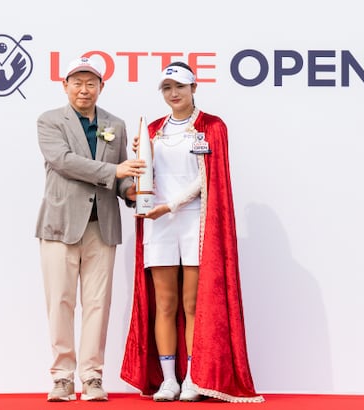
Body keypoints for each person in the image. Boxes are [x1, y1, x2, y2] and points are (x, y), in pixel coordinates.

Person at [120, 61, 264, 403]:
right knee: (165, 303)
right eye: (167, 88)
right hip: (158, 223)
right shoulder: (152, 129)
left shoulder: (212, 126)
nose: (174, 94)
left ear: (193, 88)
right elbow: (146, 175)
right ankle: (169, 380)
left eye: (180, 87)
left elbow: (209, 177)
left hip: (196, 222)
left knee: (192, 303)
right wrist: (139, 159)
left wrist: (171, 205)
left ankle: (192, 378)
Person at [36, 56, 145, 402]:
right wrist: (115, 173)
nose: (84, 89)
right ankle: (62, 377)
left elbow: (122, 175)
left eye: (91, 83)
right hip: (60, 225)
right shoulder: (50, 121)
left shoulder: (116, 124)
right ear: (65, 85)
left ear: (101, 86)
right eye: (77, 83)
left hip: (103, 226)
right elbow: (64, 162)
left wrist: (134, 192)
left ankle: (92, 376)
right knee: (60, 302)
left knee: (98, 304)